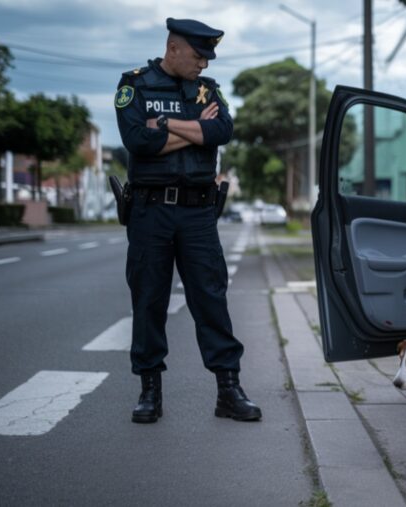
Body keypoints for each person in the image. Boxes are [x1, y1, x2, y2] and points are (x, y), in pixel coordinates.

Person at [115, 18, 261, 423]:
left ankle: (228, 391)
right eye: (198, 56)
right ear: (173, 48)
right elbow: (137, 141)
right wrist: (197, 129)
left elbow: (223, 130)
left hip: (198, 211)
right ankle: (149, 393)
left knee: (211, 299)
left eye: (207, 57)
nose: (204, 65)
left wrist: (162, 124)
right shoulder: (136, 85)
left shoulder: (207, 90)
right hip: (150, 210)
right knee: (149, 301)